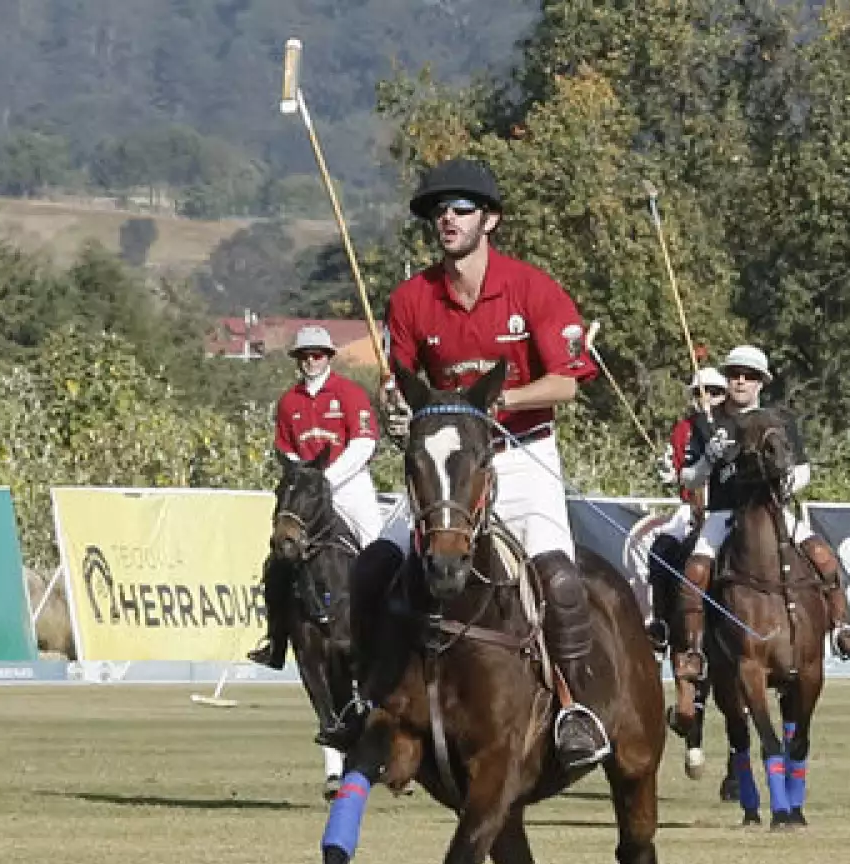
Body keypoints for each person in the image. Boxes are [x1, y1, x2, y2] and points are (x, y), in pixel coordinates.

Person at [337, 157, 608, 770]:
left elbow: (566, 384)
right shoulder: (412, 299)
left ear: (490, 219)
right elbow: (402, 383)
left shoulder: (531, 289)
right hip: (446, 470)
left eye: (460, 208)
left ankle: (573, 709)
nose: (447, 219)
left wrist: (496, 402)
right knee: (373, 568)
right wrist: (395, 402)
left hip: (519, 456)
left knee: (559, 579)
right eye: (439, 211)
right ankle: (363, 698)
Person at [671, 344, 850, 684]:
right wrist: (706, 460)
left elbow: (804, 469)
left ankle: (840, 628)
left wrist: (788, 485)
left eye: (750, 376)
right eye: (734, 375)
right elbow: (687, 477)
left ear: (762, 382)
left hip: (772, 508)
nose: (741, 381)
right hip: (724, 512)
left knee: (824, 557)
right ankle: (695, 649)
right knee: (695, 570)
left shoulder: (780, 421)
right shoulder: (707, 423)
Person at [248, 324, 381, 671]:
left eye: (317, 354)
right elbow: (286, 450)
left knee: (378, 552)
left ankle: (388, 634)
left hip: (349, 485)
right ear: (297, 359)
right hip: (305, 494)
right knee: (277, 559)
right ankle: (275, 641)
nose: (311, 361)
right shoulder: (288, 402)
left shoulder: (349, 393)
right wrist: (304, 482)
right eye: (304, 355)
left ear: (328, 357)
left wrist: (327, 480)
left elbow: (364, 442)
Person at [647, 365, 729, 650]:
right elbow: (675, 473)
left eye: (715, 393)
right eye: (700, 393)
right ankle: (661, 622)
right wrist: (666, 469)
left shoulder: (733, 424)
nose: (707, 399)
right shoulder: (683, 429)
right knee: (660, 550)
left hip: (729, 505)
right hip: (691, 504)